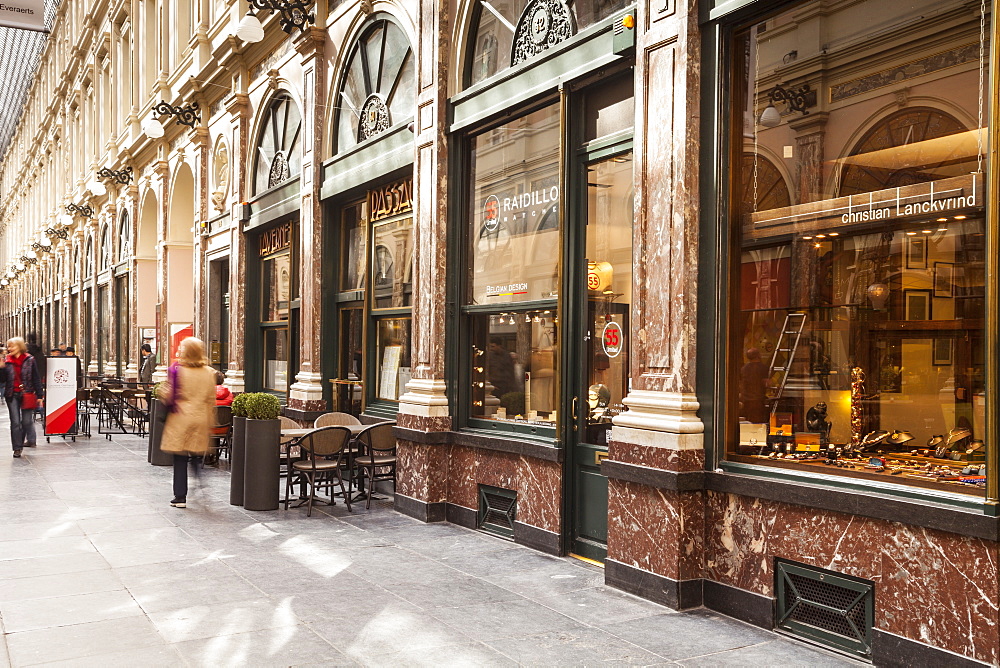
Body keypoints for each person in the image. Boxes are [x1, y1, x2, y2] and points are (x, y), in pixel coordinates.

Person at [159, 337, 217, 508]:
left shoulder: (178, 370)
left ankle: (180, 497)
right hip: (200, 418)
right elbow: (210, 399)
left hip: (181, 418)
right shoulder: (209, 372)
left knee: (180, 457)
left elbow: (169, 395)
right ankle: (200, 481)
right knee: (196, 454)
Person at [5, 337, 44, 458]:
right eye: (9, 346)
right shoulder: (6, 361)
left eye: (12, 346)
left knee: (26, 421)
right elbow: (2, 380)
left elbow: (36, 378)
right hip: (12, 394)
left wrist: (39, 395)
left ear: (20, 347)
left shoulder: (30, 359)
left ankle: (20, 441)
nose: (9, 348)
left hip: (27, 393)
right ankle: (17, 448)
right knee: (15, 422)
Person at [739, 347, 770, 424]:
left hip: (746, 400)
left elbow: (741, 383)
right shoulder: (763, 368)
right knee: (757, 423)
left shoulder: (744, 368)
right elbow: (766, 383)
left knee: (748, 421)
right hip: (758, 400)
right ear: (758, 355)